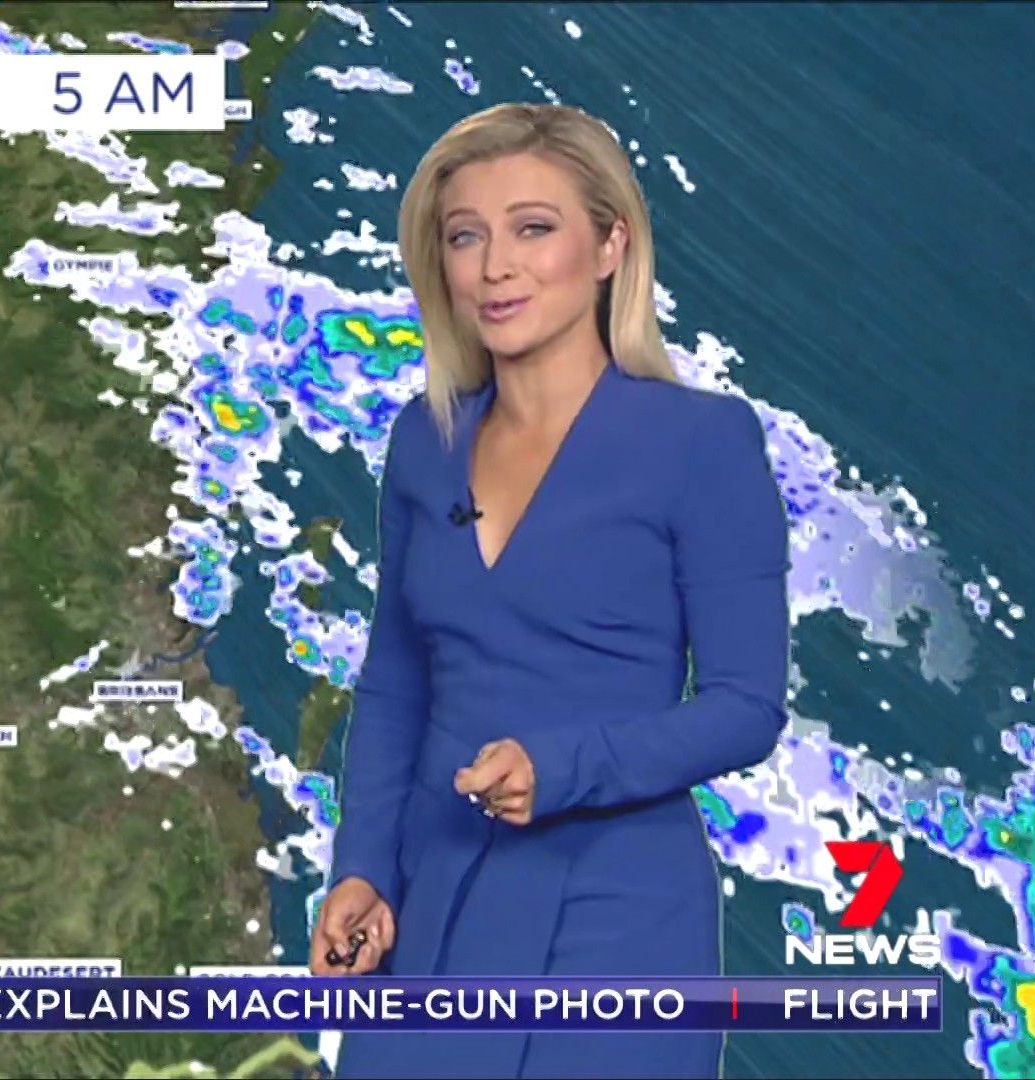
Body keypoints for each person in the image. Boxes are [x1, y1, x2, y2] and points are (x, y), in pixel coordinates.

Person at [312, 102, 791, 1079]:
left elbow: (747, 707)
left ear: (611, 246)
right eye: (465, 236)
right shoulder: (424, 441)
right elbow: (396, 686)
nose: (496, 267)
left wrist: (563, 768)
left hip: (617, 921)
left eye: (533, 228)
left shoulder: (702, 443)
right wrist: (362, 869)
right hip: (432, 905)